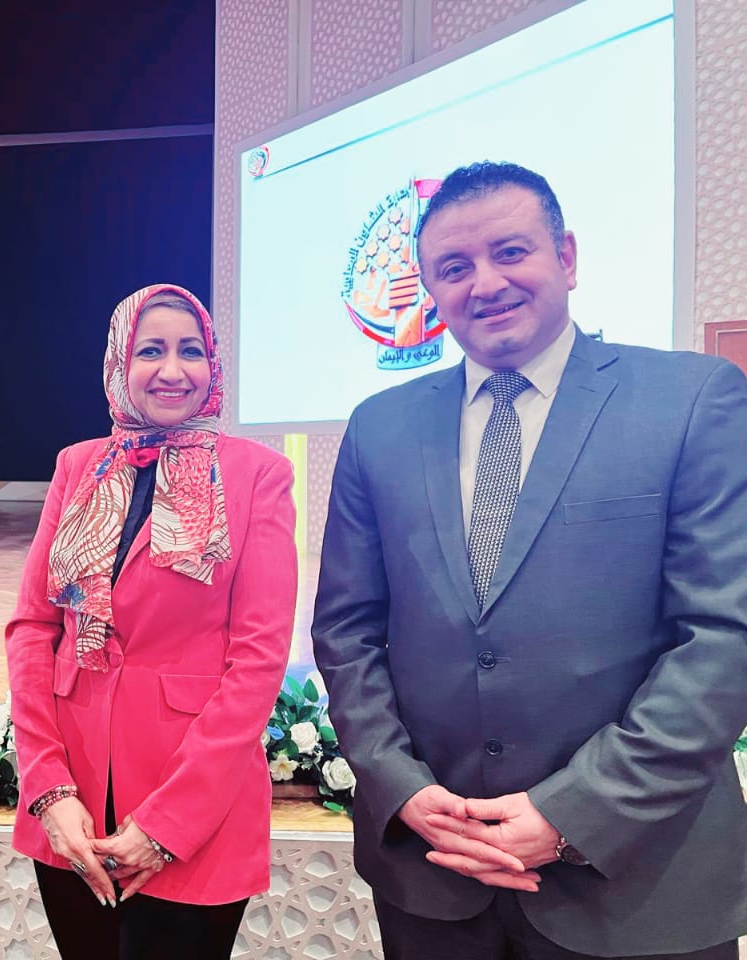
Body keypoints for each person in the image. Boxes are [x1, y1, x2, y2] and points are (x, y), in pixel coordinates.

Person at [311, 161, 747, 959]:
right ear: (430, 290)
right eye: (454, 267)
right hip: (434, 877)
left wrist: (575, 812)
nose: (486, 283)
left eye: (511, 252)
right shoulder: (379, 427)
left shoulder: (692, 400)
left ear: (567, 257)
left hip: (638, 886)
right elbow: (347, 631)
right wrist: (402, 787)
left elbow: (724, 639)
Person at [5, 283, 298, 959]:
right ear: (119, 362)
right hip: (73, 807)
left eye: (191, 351)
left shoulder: (257, 474)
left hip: (193, 808)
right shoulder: (78, 465)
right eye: (150, 350)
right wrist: (48, 790)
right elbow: (32, 630)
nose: (172, 369)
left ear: (213, 365)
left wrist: (169, 824)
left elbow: (257, 660)